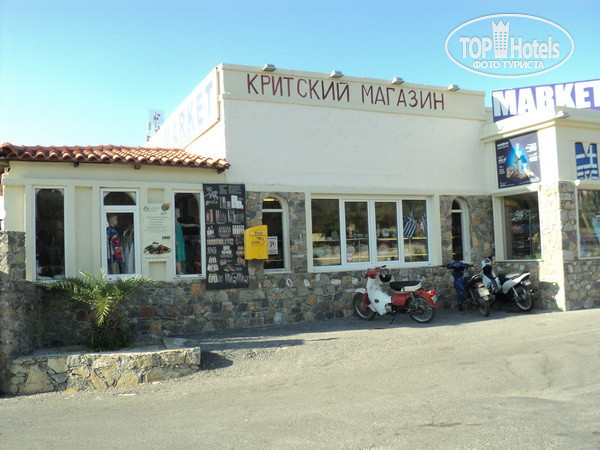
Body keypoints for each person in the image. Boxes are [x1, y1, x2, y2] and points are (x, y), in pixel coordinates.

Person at [175, 207, 199, 274]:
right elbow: (173, 231)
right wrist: (175, 240)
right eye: (178, 212)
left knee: (179, 256)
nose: (179, 213)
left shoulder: (176, 221)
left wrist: (193, 225)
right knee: (178, 256)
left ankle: (180, 271)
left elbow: (183, 225)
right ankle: (179, 272)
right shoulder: (173, 221)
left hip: (180, 240)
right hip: (178, 241)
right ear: (174, 213)